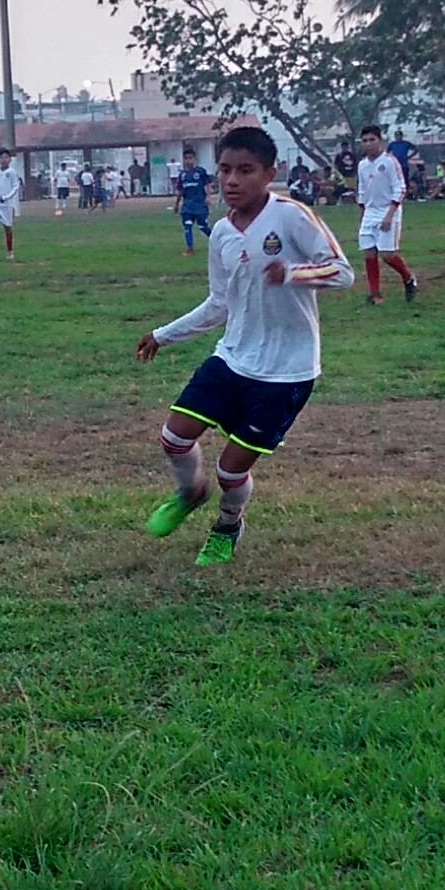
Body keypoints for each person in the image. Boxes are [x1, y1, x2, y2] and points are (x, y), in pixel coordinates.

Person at [135, 126, 352, 566]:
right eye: (225, 170)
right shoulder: (221, 233)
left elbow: (342, 272)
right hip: (233, 357)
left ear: (270, 173)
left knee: (230, 470)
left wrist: (292, 273)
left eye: (245, 170)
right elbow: (220, 303)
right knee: (173, 438)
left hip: (286, 371)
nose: (232, 180)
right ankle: (190, 492)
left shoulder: (291, 216)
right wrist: (163, 334)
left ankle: (227, 526)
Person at [355, 124, 418, 305]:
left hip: (388, 210)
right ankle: (375, 295)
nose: (368, 144)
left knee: (387, 255)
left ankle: (408, 277)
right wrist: (362, 214)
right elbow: (362, 191)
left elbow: (400, 188)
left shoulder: (389, 162)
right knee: (369, 253)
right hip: (370, 212)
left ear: (380, 141)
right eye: (364, 140)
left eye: (372, 140)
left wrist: (390, 214)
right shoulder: (362, 165)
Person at [172, 146, 213, 254]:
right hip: (187, 205)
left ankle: (217, 239)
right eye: (186, 158)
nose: (188, 160)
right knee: (187, 225)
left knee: (203, 226)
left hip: (200, 204)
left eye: (190, 158)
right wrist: (176, 204)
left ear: (194, 159)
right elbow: (180, 191)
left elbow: (208, 184)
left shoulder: (200, 171)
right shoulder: (182, 175)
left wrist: (208, 197)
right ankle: (190, 248)